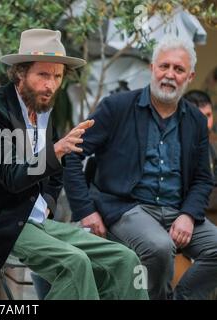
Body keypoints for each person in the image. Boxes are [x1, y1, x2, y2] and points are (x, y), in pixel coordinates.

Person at [0, 28, 148, 300]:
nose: (51, 85)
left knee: (124, 259)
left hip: (36, 222)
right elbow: (12, 176)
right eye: (43, 74)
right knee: (74, 263)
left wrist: (47, 206)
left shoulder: (42, 111)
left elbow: (56, 176)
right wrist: (56, 151)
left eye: (57, 76)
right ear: (20, 72)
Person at [64, 35, 217, 300]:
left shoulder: (195, 120)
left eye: (178, 69)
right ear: (152, 69)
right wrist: (86, 211)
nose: (169, 74)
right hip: (126, 208)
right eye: (164, 66)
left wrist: (188, 215)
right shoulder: (117, 107)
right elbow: (70, 156)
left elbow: (204, 179)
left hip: (176, 210)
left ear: (190, 77)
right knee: (159, 247)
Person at [184, 90, 217, 225]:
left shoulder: (213, 147)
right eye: (200, 116)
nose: (207, 124)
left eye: (209, 115)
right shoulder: (177, 146)